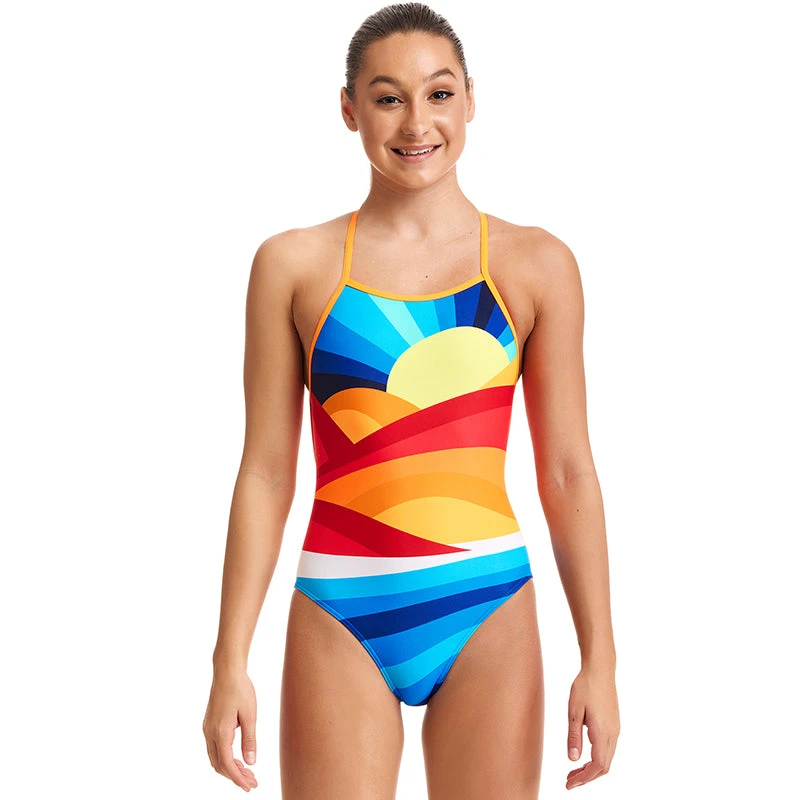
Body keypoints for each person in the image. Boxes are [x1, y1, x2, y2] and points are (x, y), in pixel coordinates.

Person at [202, 3, 620, 797]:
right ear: (349, 109)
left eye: (439, 93)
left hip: (486, 604)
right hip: (340, 608)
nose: (417, 122)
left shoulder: (535, 264)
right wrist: (230, 660)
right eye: (388, 97)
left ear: (471, 100)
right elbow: (264, 473)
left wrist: (599, 661)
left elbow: (568, 472)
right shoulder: (293, 266)